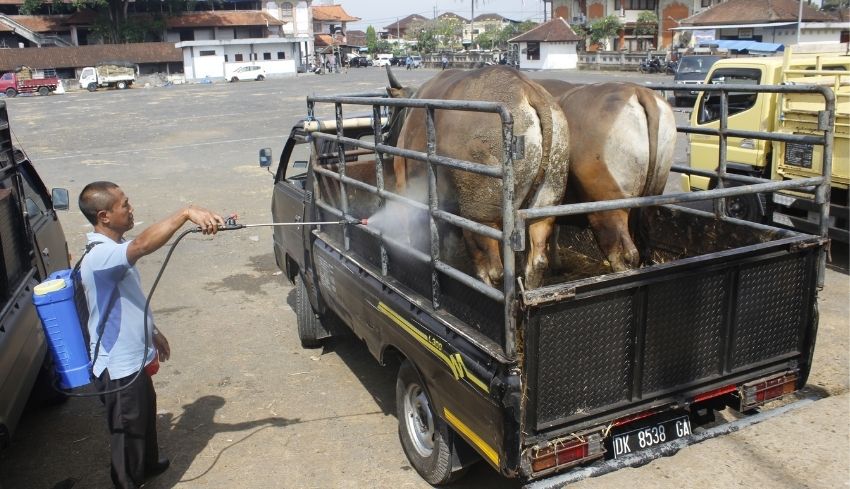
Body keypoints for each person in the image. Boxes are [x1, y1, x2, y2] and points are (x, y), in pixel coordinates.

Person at [78, 181, 224, 489]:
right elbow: (143, 245)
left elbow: (129, 297)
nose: (131, 209)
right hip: (117, 365)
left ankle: (147, 464)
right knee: (127, 429)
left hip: (134, 354)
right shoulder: (100, 257)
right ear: (104, 216)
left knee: (144, 415)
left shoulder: (114, 248)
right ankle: (127, 481)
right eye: (125, 205)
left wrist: (152, 332)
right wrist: (186, 212)